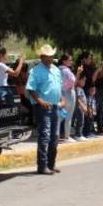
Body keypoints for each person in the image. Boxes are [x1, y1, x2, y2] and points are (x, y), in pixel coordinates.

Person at [26, 45, 64, 174]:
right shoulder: (35, 71)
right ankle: (42, 166)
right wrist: (40, 101)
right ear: (42, 57)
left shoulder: (56, 70)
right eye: (47, 56)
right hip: (43, 107)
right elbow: (31, 89)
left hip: (55, 107)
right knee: (45, 136)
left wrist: (62, 99)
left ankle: (51, 164)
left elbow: (59, 87)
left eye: (51, 56)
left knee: (55, 136)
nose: (50, 58)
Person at [58, 54, 78, 141]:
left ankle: (56, 135)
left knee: (60, 116)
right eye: (70, 60)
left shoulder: (58, 69)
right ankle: (67, 136)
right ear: (64, 61)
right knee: (68, 116)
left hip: (61, 93)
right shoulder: (66, 70)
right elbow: (73, 82)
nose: (71, 62)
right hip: (68, 93)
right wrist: (79, 73)